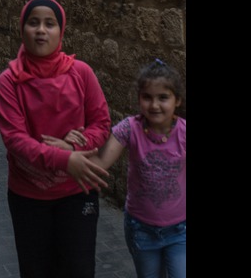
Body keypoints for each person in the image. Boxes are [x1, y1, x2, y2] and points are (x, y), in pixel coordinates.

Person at [0, 0, 112, 278]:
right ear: (23, 29)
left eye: (50, 23)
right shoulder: (9, 82)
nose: (41, 30)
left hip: (76, 191)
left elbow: (101, 122)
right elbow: (16, 140)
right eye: (33, 23)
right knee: (36, 270)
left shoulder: (81, 73)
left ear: (61, 31)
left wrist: (72, 146)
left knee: (78, 269)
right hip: (28, 196)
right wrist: (65, 159)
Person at [78, 59, 186, 278]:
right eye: (147, 97)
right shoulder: (130, 128)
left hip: (179, 231)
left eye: (163, 98)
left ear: (177, 100)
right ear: (139, 99)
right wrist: (68, 155)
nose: (154, 105)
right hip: (141, 230)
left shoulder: (184, 133)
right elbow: (101, 162)